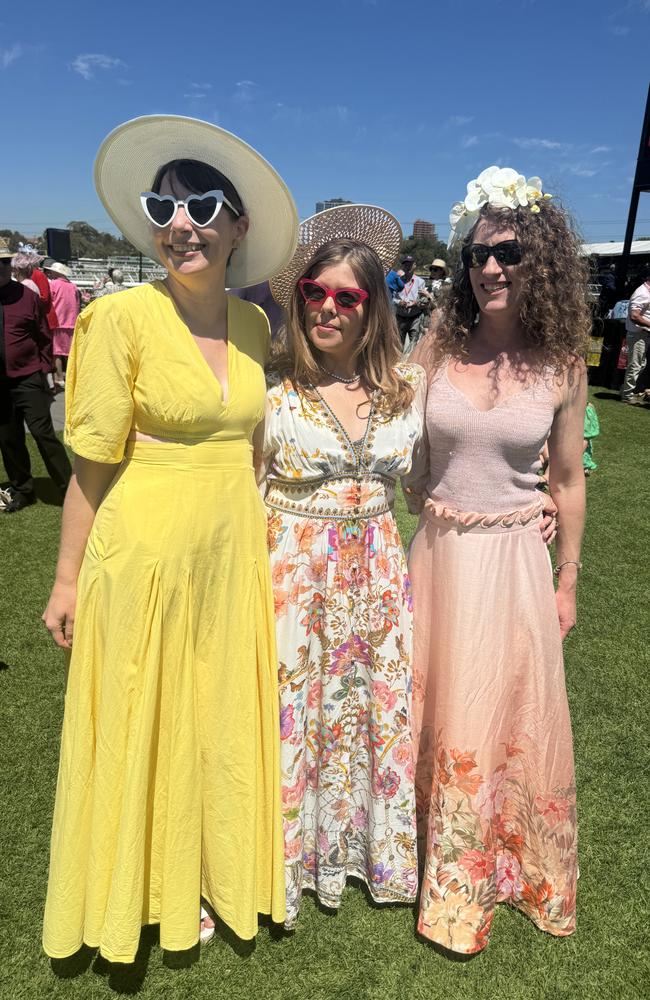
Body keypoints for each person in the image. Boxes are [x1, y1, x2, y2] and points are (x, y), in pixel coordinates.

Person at [41, 114, 299, 963]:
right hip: (142, 551)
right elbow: (91, 467)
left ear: (239, 225)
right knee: (136, 715)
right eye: (163, 208)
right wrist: (68, 579)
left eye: (201, 207)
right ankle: (128, 896)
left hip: (230, 553)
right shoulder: (118, 320)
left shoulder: (257, 328)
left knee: (215, 718)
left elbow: (260, 452)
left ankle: (211, 875)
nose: (179, 225)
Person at [406, 165, 589, 953]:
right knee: (434, 703)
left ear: (539, 259)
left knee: (503, 714)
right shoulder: (437, 344)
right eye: (477, 255)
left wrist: (569, 574)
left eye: (508, 253)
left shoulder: (563, 363)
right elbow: (383, 426)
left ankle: (510, 870)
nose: (489, 269)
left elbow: (570, 478)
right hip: (439, 559)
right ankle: (422, 858)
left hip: (516, 566)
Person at [262, 204, 424, 928]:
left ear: (372, 307)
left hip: (378, 577)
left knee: (365, 714)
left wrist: (532, 500)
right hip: (293, 575)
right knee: (293, 714)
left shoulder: (404, 392)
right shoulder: (269, 388)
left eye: (347, 296)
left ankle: (366, 854)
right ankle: (282, 861)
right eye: (315, 293)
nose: (328, 308)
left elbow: (435, 483)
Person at [0, 237, 72, 513]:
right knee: (8, 438)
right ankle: (22, 490)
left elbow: (43, 335)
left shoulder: (27, 296)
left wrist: (46, 372)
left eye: (5, 262)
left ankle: (68, 488)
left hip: (28, 376)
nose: (2, 268)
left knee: (43, 433)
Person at [43, 261, 81, 390]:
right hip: (72, 322)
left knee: (57, 352)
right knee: (70, 353)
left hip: (58, 322)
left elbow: (49, 302)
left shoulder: (53, 284)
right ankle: (72, 377)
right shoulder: (73, 286)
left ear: (56, 272)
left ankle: (59, 377)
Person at [620, 268, 650, 404]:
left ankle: (625, 390)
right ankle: (627, 395)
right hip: (638, 334)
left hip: (642, 334)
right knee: (636, 365)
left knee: (640, 364)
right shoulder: (643, 293)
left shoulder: (645, 292)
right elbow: (634, 316)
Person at [395, 255, 431, 353]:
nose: (408, 267)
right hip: (400, 317)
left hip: (415, 318)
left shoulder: (420, 282)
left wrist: (415, 303)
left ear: (414, 265)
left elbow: (423, 299)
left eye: (410, 264)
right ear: (402, 266)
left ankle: (411, 366)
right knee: (398, 345)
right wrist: (399, 302)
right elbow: (393, 298)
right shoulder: (397, 280)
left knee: (414, 346)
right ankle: (397, 366)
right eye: (406, 265)